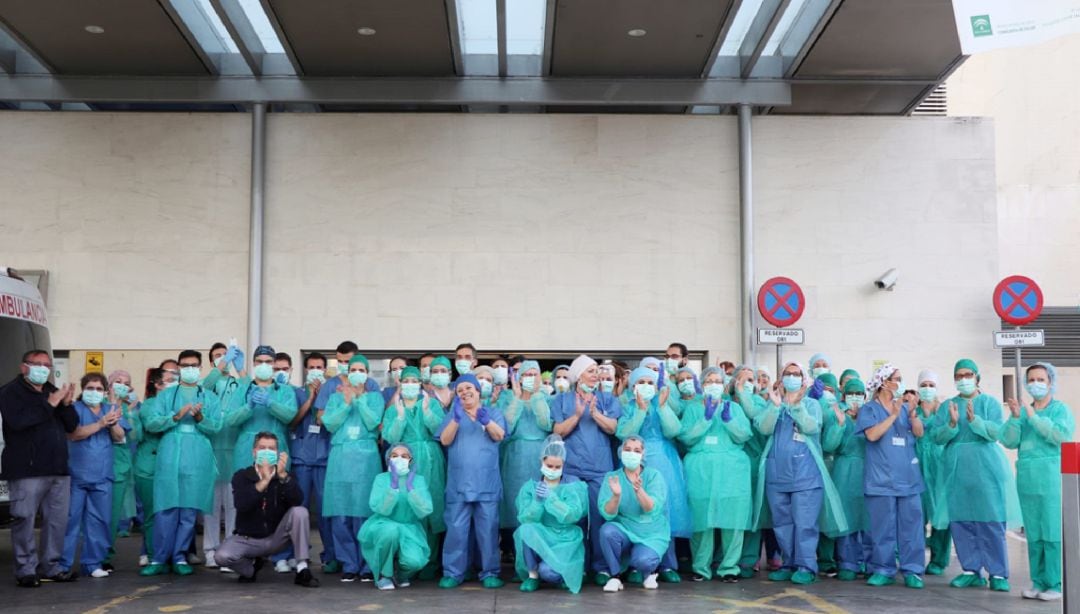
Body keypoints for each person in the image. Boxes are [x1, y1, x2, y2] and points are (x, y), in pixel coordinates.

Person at [752, 362, 846, 585]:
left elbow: (811, 427)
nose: (792, 377)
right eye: (788, 374)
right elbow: (763, 429)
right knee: (782, 523)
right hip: (777, 474)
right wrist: (776, 407)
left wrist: (795, 406)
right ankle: (788, 563)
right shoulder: (773, 403)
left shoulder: (812, 404)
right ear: (781, 378)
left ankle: (805, 565)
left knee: (805, 522)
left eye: (796, 374)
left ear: (804, 379)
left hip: (806, 474)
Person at [930, 359, 1018, 592]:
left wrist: (974, 421)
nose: (963, 379)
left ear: (977, 377)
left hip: (986, 468)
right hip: (956, 470)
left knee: (990, 520)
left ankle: (998, 573)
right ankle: (971, 570)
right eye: (958, 376)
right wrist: (951, 423)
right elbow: (937, 437)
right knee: (961, 520)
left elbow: (996, 432)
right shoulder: (948, 405)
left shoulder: (989, 402)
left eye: (967, 374)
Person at [140, 350, 223, 577]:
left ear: (200, 368)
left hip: (197, 456)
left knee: (188, 509)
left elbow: (216, 427)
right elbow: (152, 423)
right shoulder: (166, 396)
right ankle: (159, 558)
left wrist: (199, 418)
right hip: (169, 454)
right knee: (166, 507)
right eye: (185, 365)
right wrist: (175, 417)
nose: (190, 369)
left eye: (194, 365)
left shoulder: (209, 397)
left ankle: (179, 556)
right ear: (179, 368)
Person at [1, 350, 80, 587]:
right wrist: (50, 404)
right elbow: (18, 422)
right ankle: (25, 570)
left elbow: (72, 426)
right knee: (24, 520)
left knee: (57, 522)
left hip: (58, 469)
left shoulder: (50, 391)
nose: (43, 369)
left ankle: (52, 566)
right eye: (38, 364)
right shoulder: (10, 392)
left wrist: (65, 405)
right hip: (27, 470)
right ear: (24, 367)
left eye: (47, 365)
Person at [1001, 362, 1075, 601]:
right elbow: (1009, 441)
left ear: (1050, 382)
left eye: (1040, 380)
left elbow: (1061, 436)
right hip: (1028, 479)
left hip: (1051, 477)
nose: (1035, 384)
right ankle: (1038, 581)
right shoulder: (1022, 412)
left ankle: (1055, 583)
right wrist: (1014, 418)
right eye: (1031, 380)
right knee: (1033, 533)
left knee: (1051, 531)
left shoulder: (1059, 410)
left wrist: (1033, 417)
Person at [226, 345, 299, 572]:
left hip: (276, 448)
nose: (264, 365)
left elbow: (290, 416)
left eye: (269, 361)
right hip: (247, 450)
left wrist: (271, 403)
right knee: (247, 500)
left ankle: (281, 556)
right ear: (253, 364)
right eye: (259, 361)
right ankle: (243, 551)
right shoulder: (243, 390)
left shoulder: (284, 390)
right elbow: (230, 419)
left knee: (279, 500)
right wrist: (248, 407)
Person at [676, 366, 753, 582]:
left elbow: (744, 435)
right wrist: (705, 419)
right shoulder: (692, 408)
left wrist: (729, 421)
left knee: (733, 520)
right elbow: (686, 437)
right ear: (701, 384)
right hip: (700, 470)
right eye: (709, 381)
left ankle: (729, 567)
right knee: (701, 520)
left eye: (718, 381)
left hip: (732, 471)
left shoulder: (734, 408)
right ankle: (700, 567)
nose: (713, 385)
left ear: (724, 384)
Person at [213, 432, 320, 587]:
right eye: (262, 448)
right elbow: (242, 504)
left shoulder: (285, 476)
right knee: (221, 556)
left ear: (277, 453)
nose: (267, 452)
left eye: (271, 449)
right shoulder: (242, 476)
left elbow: (297, 501)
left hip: (276, 537)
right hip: (248, 539)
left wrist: (283, 477)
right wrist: (264, 481)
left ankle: (302, 568)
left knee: (300, 511)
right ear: (254, 452)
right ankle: (250, 569)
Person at [550, 355, 622, 583]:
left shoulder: (607, 399)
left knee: (601, 518)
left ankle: (601, 567)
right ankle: (577, 564)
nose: (596, 375)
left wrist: (595, 414)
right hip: (572, 468)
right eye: (591, 371)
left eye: (597, 371)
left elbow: (612, 429)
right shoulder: (561, 400)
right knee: (574, 519)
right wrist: (578, 415)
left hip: (600, 469)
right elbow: (558, 431)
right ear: (578, 375)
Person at [616, 366, 687, 583]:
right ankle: (636, 565)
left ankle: (667, 564)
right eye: (641, 382)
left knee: (666, 510)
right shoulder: (628, 407)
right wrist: (639, 410)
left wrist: (663, 407)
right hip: (635, 462)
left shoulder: (662, 404)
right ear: (633, 386)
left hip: (665, 461)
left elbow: (675, 431)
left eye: (650, 383)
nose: (646, 387)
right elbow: (623, 433)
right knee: (635, 511)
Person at [857, 364, 926, 589]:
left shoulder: (904, 409)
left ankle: (913, 570)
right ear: (884, 382)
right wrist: (893, 414)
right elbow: (873, 435)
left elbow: (918, 432)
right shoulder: (869, 409)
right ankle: (883, 569)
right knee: (881, 528)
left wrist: (912, 413)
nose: (900, 383)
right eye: (897, 378)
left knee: (912, 528)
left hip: (908, 478)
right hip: (881, 481)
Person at [436, 374, 508, 589]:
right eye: (460, 390)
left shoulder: (493, 412)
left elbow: (499, 435)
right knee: (456, 531)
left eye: (469, 388)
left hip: (486, 483)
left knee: (488, 532)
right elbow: (445, 440)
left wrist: (485, 420)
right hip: (459, 484)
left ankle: (490, 572)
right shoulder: (453, 415)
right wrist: (457, 419)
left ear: (478, 391)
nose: (465, 392)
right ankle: (453, 572)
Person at [60, 373, 130, 579]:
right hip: (77, 475)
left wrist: (113, 422)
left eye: (99, 389)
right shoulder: (75, 409)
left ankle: (92, 563)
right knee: (71, 520)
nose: (95, 392)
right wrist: (100, 424)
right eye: (90, 388)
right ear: (83, 389)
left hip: (102, 475)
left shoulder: (111, 409)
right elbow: (74, 434)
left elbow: (120, 437)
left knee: (99, 520)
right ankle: (63, 564)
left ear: (106, 391)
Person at [322, 355, 384, 582]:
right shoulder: (337, 398)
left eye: (361, 369)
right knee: (341, 514)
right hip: (340, 458)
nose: (357, 372)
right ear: (347, 373)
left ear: (367, 373)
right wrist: (347, 403)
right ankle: (349, 564)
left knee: (364, 514)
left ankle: (368, 565)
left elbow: (372, 423)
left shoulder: (375, 397)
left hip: (366, 460)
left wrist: (359, 400)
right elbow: (330, 423)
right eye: (353, 369)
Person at [381, 366, 447, 579]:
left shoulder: (432, 404)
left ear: (420, 383)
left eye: (414, 380)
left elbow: (440, 430)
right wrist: (400, 417)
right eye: (406, 380)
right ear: (400, 383)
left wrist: (427, 412)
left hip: (431, 460)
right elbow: (390, 438)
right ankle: (409, 563)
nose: (410, 384)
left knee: (432, 510)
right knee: (407, 509)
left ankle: (430, 563)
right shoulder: (393, 409)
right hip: (405, 461)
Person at [514, 435, 589, 593]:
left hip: (566, 539)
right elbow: (525, 517)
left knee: (548, 573)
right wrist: (537, 502)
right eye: (549, 465)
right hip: (543, 533)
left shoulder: (573, 485)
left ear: (563, 465)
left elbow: (573, 515)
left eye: (557, 467)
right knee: (526, 529)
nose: (553, 470)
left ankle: (561, 575)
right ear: (542, 461)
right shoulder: (530, 487)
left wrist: (553, 500)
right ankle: (532, 575)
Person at [597, 436, 670, 592]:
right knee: (607, 531)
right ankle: (615, 576)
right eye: (627, 449)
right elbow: (607, 514)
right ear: (621, 452)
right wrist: (616, 496)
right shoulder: (612, 478)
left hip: (651, 532)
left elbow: (652, 508)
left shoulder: (653, 476)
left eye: (637, 450)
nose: (631, 453)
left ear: (643, 454)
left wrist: (639, 491)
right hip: (625, 528)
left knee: (643, 561)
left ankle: (650, 571)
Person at [359, 443, 435, 590]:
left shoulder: (418, 480)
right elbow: (379, 508)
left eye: (404, 456)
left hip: (409, 528)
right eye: (394, 456)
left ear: (411, 461)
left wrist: (411, 489)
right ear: (388, 459)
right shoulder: (381, 479)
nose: (399, 459)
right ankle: (383, 574)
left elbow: (425, 510)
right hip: (384, 524)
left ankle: (399, 574)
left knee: (415, 562)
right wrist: (393, 487)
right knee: (390, 532)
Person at [288, 352, 336, 573]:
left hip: (325, 459)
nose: (315, 370)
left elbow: (331, 422)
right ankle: (300, 555)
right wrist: (310, 400)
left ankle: (330, 555)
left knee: (327, 510)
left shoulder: (331, 393)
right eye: (312, 367)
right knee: (300, 509)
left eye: (319, 367)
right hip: (301, 459)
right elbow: (293, 421)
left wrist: (321, 400)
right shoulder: (296, 393)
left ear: (325, 370)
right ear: (306, 369)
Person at [200, 341, 244, 571]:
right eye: (218, 356)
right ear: (212, 361)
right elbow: (206, 384)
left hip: (234, 452)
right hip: (211, 452)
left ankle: (230, 551)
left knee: (233, 506)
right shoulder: (206, 386)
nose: (223, 359)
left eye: (226, 355)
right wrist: (223, 363)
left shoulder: (238, 384)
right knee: (211, 506)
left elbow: (249, 389)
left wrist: (240, 367)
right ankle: (210, 550)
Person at [500, 361, 553, 540]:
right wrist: (517, 399)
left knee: (539, 499)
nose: (530, 379)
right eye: (526, 375)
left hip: (540, 455)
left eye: (534, 375)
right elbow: (507, 426)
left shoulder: (547, 398)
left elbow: (546, 423)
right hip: (515, 456)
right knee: (514, 500)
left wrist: (536, 396)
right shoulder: (508, 397)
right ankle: (513, 547)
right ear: (519, 378)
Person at [824, 377, 870, 581]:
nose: (855, 397)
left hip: (869, 470)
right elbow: (829, 445)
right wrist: (840, 425)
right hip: (843, 470)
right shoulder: (837, 416)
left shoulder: (870, 416)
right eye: (851, 393)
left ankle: (866, 561)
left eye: (859, 394)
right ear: (843, 396)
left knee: (867, 517)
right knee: (845, 517)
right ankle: (847, 562)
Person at [913, 369, 951, 575]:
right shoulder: (912, 410)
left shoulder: (944, 411)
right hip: (916, 467)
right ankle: (915, 559)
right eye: (924, 385)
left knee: (941, 515)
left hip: (939, 466)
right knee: (916, 515)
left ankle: (938, 560)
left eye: (931, 385)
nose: (927, 389)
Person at [131, 368, 167, 568]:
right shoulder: (149, 406)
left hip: (167, 467)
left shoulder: (171, 403)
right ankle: (154, 555)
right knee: (152, 514)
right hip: (149, 467)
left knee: (166, 514)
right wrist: (176, 417)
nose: (173, 384)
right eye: (169, 380)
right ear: (157, 384)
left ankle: (162, 553)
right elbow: (154, 425)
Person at [104, 370, 139, 570]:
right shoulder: (99, 405)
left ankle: (106, 556)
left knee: (113, 516)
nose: (121, 386)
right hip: (100, 466)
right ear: (108, 385)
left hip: (121, 467)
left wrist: (131, 410)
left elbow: (133, 435)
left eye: (126, 383)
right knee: (98, 515)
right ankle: (94, 555)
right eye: (117, 382)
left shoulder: (128, 409)